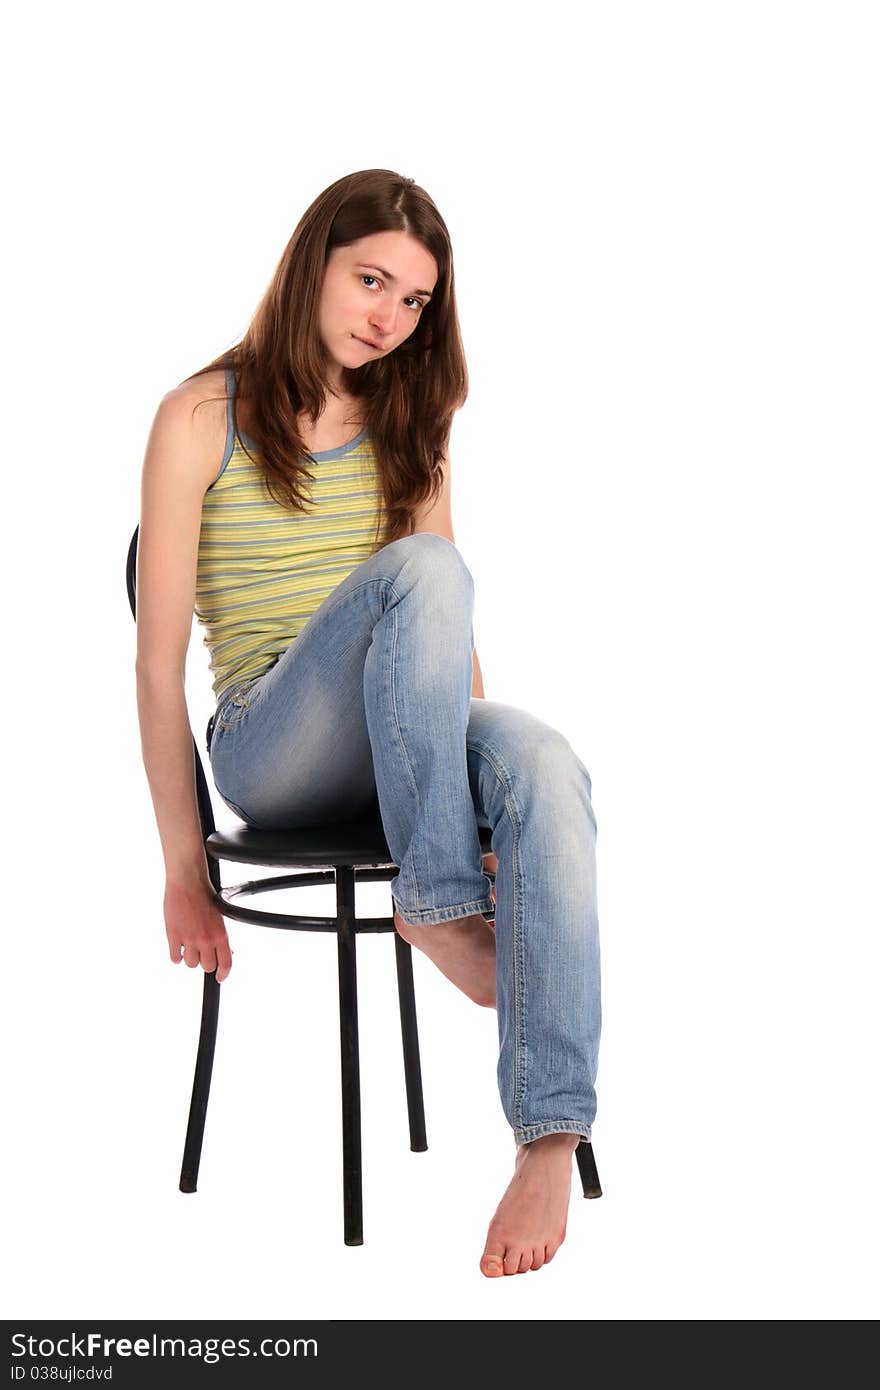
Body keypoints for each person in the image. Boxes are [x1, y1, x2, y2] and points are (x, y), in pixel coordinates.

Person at [135, 168, 601, 1278]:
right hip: (272, 745)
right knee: (425, 566)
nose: (388, 317)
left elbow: (447, 645)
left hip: (404, 752)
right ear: (314, 265)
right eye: (371, 280)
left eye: (414, 301)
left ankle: (548, 1129)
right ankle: (438, 906)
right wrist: (181, 866)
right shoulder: (202, 416)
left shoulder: (412, 423)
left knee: (542, 757)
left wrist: (474, 788)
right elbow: (156, 669)